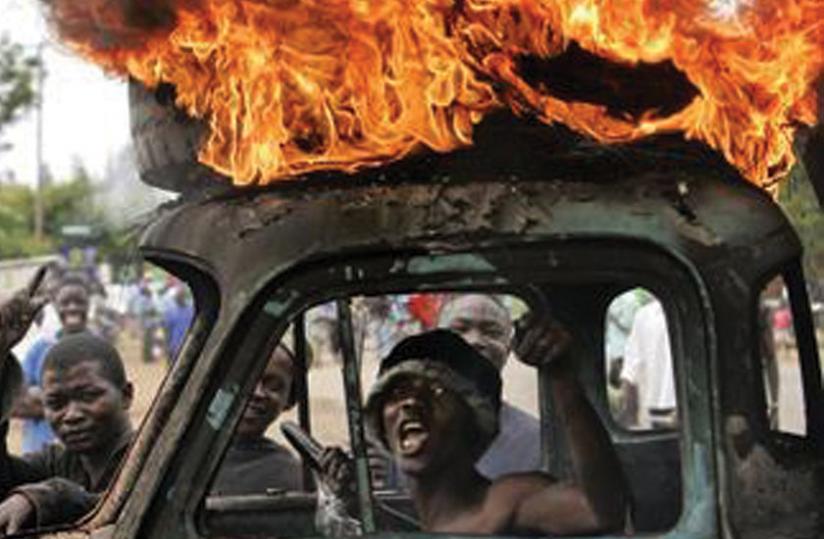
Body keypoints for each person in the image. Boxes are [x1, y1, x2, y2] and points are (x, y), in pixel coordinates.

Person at [324, 324, 628, 535]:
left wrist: (562, 378)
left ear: (473, 423)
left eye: (438, 392)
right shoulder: (431, 517)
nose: (412, 403)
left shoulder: (507, 501)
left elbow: (599, 510)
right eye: (397, 392)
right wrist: (355, 504)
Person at [437, 294, 542, 478]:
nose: (474, 340)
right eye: (459, 329)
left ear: (508, 351)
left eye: (491, 332)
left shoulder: (536, 439)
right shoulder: (398, 427)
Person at [14, 273, 94, 454]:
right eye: (65, 302)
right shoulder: (39, 349)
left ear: (89, 304)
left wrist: (41, 398)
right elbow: (15, 403)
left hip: (87, 457)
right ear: (56, 306)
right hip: (39, 453)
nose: (72, 308)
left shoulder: (101, 349)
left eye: (79, 301)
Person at [211, 344, 302, 495]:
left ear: (289, 401)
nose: (257, 393)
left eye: (273, 385)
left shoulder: (291, 474)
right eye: (245, 379)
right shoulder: (185, 456)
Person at [619, 299, 677, 429]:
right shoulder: (645, 317)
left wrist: (631, 425)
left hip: (658, 415)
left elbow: (630, 376)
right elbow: (630, 376)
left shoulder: (645, 316)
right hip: (667, 414)